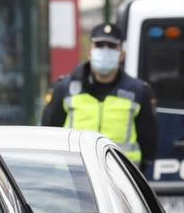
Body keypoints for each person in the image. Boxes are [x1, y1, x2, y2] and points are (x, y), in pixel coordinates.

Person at [41, 22, 160, 172]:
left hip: (120, 176)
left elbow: (149, 141)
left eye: (111, 46)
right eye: (99, 45)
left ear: (121, 54)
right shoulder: (65, 88)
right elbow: (48, 132)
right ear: (90, 51)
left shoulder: (138, 92)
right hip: (74, 176)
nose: (104, 50)